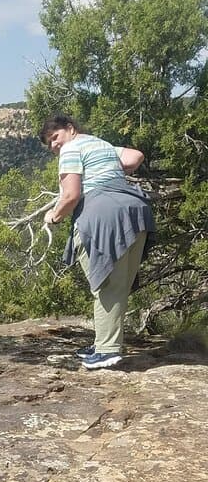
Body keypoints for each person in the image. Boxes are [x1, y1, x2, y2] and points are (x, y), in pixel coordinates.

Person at [40, 114, 155, 369]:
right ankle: (105, 341)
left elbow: (71, 195)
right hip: (136, 211)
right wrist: (108, 172)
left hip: (104, 215)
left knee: (104, 282)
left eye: (55, 137)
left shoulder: (70, 148)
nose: (54, 146)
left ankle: (107, 351)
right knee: (119, 285)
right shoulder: (101, 145)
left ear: (70, 129)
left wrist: (54, 216)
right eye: (50, 144)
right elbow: (135, 156)